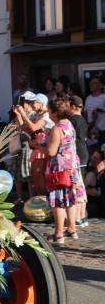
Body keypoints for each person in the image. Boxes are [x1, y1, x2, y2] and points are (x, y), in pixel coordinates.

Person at [45, 98, 80, 244]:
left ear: (54, 112)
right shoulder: (69, 124)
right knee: (69, 199)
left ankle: (59, 233)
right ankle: (72, 228)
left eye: (49, 110)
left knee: (58, 200)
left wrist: (38, 146)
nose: (48, 113)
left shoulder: (57, 128)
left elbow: (51, 151)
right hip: (71, 166)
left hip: (59, 168)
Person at [69, 96, 90, 227]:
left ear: (72, 107)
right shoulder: (82, 119)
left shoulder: (72, 120)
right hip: (83, 153)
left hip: (77, 154)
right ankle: (82, 217)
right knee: (80, 186)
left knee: (76, 187)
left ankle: (77, 217)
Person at [85, 75, 105, 146]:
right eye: (91, 83)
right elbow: (86, 114)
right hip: (90, 131)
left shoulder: (103, 97)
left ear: (101, 85)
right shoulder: (88, 98)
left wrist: (99, 110)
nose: (92, 85)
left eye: (95, 83)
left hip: (102, 131)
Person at [84, 150, 105, 217]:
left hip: (97, 206)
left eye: (96, 158)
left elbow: (99, 193)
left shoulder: (103, 176)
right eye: (92, 156)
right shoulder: (90, 171)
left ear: (103, 162)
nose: (92, 159)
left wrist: (84, 190)